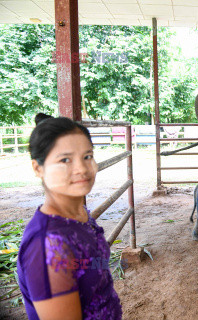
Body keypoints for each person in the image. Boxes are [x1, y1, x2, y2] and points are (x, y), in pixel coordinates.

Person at [17, 113, 122, 320]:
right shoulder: (47, 246)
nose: (82, 169)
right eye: (65, 160)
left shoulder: (79, 215)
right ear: (38, 168)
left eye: (87, 156)